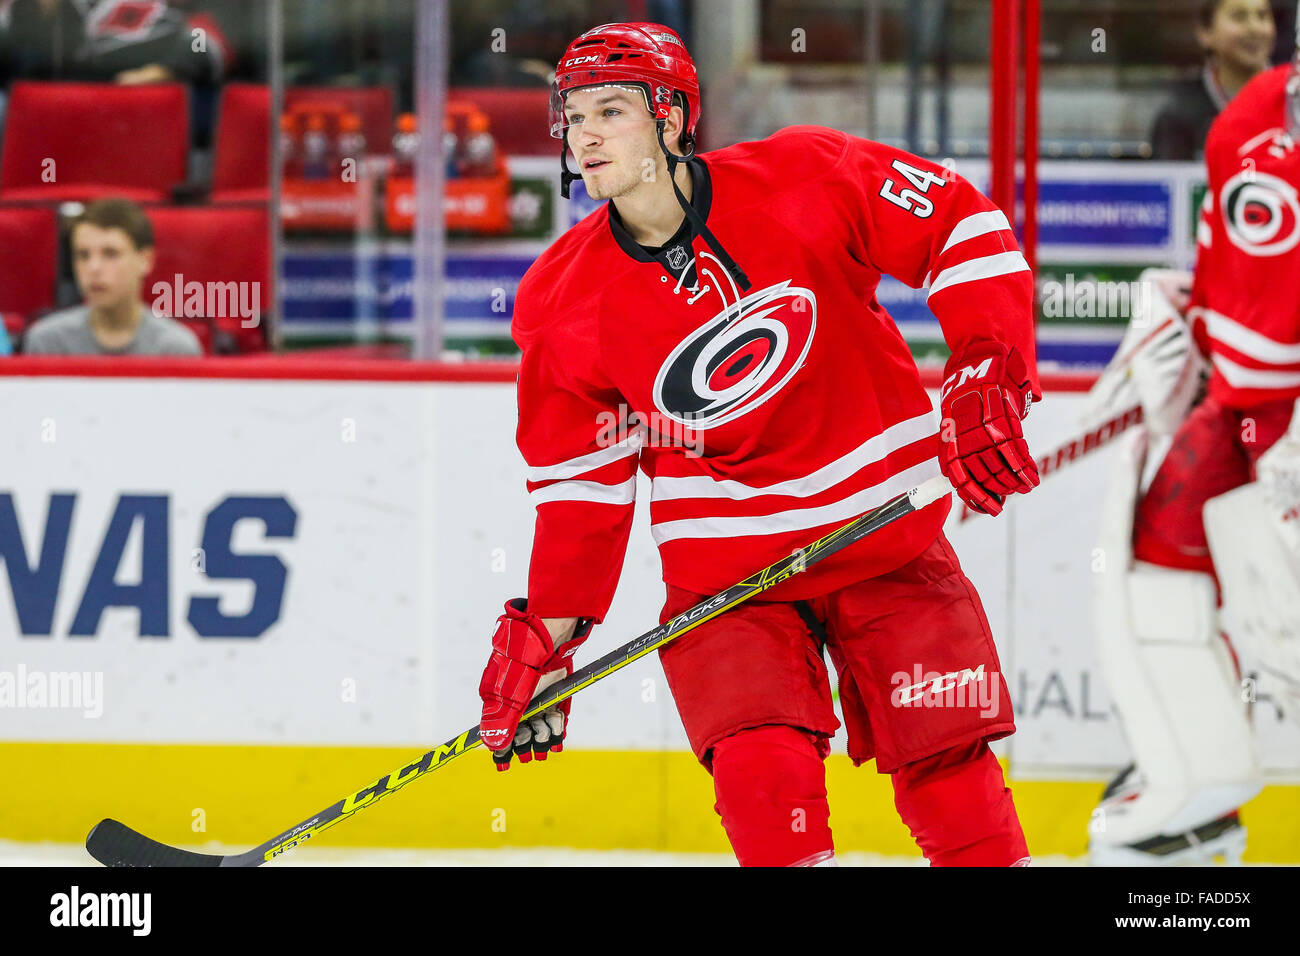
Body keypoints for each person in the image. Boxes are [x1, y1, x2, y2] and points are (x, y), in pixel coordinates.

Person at [475, 22, 1042, 867]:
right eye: (572, 115)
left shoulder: (807, 174)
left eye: (612, 110)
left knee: (950, 776)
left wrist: (986, 369)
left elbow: (962, 226)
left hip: (883, 536)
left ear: (672, 119)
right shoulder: (562, 300)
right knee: (763, 786)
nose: (584, 134)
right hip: (728, 581)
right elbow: (581, 495)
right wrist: (549, 637)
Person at [1087, 14, 1300, 865]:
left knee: (1154, 571)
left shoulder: (1261, 122)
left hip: (1265, 410)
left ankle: (1195, 792)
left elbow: (1259, 355)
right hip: (1259, 410)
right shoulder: (1257, 122)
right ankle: (1195, 791)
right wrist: (1195, 304)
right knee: (1154, 566)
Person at [24, 198, 202, 356]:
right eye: (83, 255)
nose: (94, 268)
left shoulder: (175, 348)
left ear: (145, 260)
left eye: (110, 254)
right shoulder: (48, 342)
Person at [1150, 0, 1276, 160]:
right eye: (1239, 17)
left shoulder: (1293, 101)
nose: (1254, 28)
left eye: (1262, 16)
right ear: (1205, 32)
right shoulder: (1178, 116)